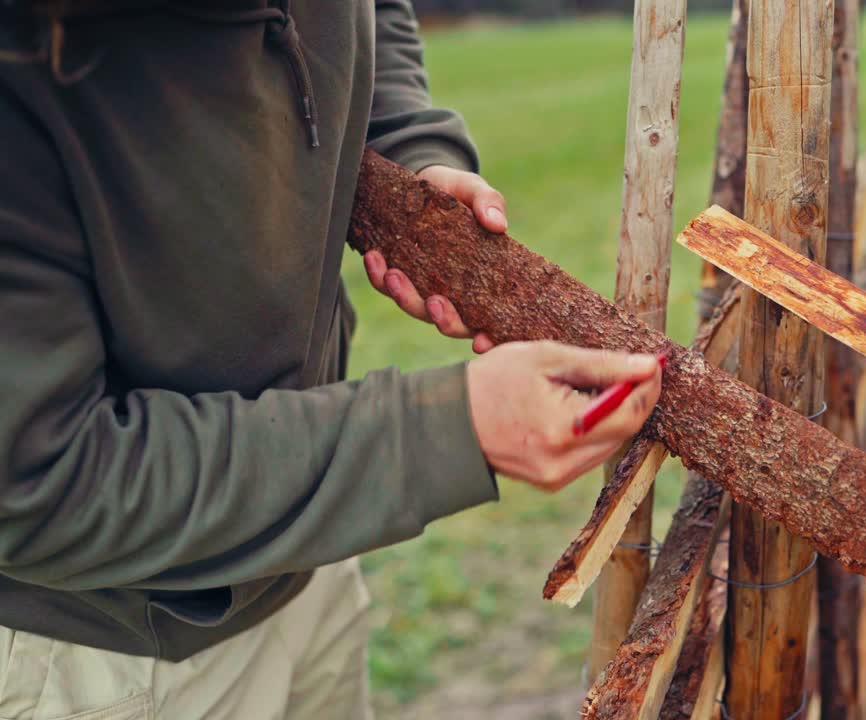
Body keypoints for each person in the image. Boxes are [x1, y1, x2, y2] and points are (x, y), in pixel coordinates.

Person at [0, 2, 662, 717]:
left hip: (310, 548)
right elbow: (36, 483)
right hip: (113, 654)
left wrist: (410, 146)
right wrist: (445, 431)